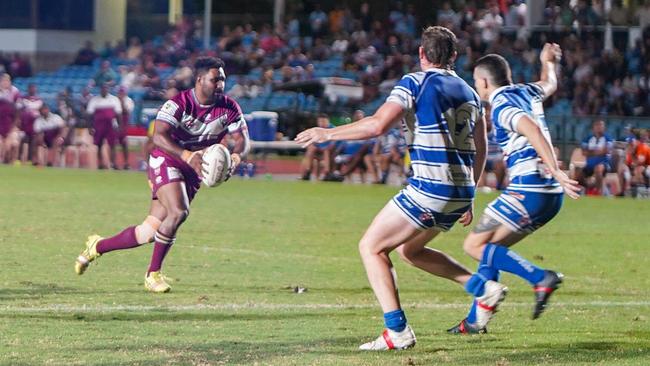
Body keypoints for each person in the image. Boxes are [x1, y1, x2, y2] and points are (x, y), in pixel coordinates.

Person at [296, 26, 502, 351]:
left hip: (430, 187)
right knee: (410, 251)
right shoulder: (470, 92)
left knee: (371, 248)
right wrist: (471, 193)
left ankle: (397, 330)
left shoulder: (415, 82)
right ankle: (482, 287)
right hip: (460, 189)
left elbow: (377, 125)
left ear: (422, 54)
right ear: (454, 57)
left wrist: (327, 134)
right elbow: (482, 145)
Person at [74, 57, 250, 293]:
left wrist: (236, 158)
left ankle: (97, 246)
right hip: (167, 159)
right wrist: (187, 155)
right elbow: (159, 137)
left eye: (223, 80)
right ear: (199, 80)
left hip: (193, 170)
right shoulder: (178, 104)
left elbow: (243, 141)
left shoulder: (229, 108)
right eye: (215, 79)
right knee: (179, 212)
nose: (220, 84)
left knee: (148, 232)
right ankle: (152, 274)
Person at [447, 44, 581, 334]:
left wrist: (557, 169)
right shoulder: (527, 91)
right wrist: (548, 62)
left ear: (483, 82)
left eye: (475, 82)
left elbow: (530, 128)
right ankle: (475, 321)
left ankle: (539, 277)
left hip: (529, 188)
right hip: (549, 196)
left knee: (474, 245)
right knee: (491, 249)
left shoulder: (502, 107)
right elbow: (550, 83)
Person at [86, 84, 122, 169]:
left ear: (108, 89)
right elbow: (89, 115)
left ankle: (113, 164)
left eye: (106, 88)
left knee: (112, 145)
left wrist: (120, 126)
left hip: (111, 126)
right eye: (102, 89)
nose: (104, 90)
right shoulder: (94, 100)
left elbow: (118, 114)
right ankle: (101, 164)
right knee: (99, 144)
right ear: (100, 90)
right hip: (98, 126)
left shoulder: (114, 99)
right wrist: (89, 127)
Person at [575, 119, 613, 195]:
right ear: (593, 127)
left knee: (598, 169)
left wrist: (591, 151)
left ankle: (598, 192)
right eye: (597, 125)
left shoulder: (608, 138)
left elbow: (606, 151)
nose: (599, 127)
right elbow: (584, 152)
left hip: (604, 164)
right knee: (578, 174)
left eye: (601, 125)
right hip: (589, 165)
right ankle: (587, 188)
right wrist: (598, 151)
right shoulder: (588, 138)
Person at [116, 87, 135, 170]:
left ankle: (126, 163)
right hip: (116, 123)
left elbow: (126, 111)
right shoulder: (115, 100)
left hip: (124, 123)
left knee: (124, 143)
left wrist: (122, 101)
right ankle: (114, 163)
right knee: (113, 143)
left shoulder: (128, 100)